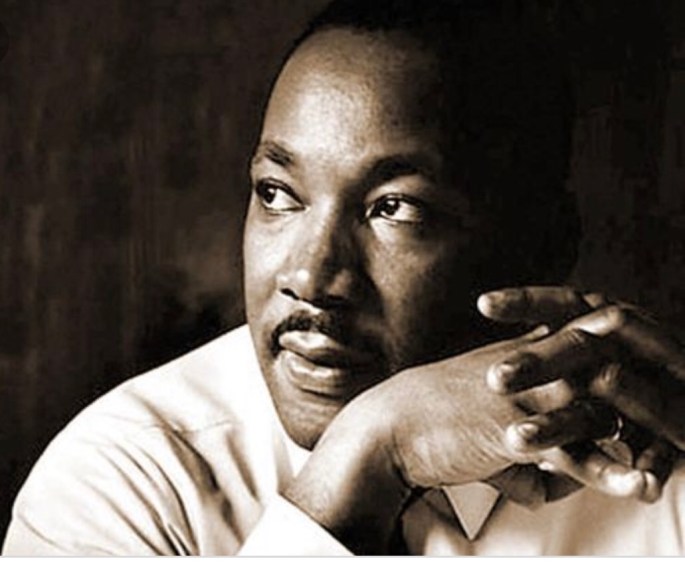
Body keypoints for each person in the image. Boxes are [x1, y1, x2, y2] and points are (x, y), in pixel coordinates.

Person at [4, 0, 685, 556]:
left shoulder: (654, 469)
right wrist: (370, 459)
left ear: (544, 247)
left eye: (395, 208)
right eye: (277, 194)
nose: (310, 274)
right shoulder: (124, 480)